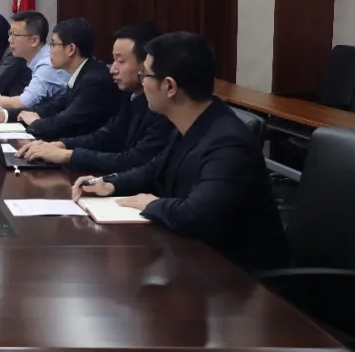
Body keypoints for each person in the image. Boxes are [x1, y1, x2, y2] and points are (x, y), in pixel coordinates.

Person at [73, 32, 289, 272]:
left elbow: (196, 215)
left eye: (145, 75)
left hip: (241, 278)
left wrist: (152, 204)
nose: (142, 83)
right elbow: (153, 170)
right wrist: (108, 184)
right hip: (197, 261)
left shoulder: (228, 142)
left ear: (169, 86)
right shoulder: (192, 123)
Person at [17, 22, 175, 173]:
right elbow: (108, 135)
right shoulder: (130, 95)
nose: (112, 69)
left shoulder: (162, 108)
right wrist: (61, 145)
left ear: (147, 64)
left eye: (120, 61)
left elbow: (134, 160)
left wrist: (68, 155)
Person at [1, 17, 122, 140]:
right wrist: (5, 115)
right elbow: (53, 108)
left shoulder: (93, 81)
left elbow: (66, 122)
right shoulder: (82, 73)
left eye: (53, 44)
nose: (50, 51)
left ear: (71, 49)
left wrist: (36, 123)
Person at [0, 10, 70, 118]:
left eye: (15, 35)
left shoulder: (47, 65)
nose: (9, 40)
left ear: (34, 40)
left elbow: (24, 102)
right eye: (10, 33)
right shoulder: (40, 59)